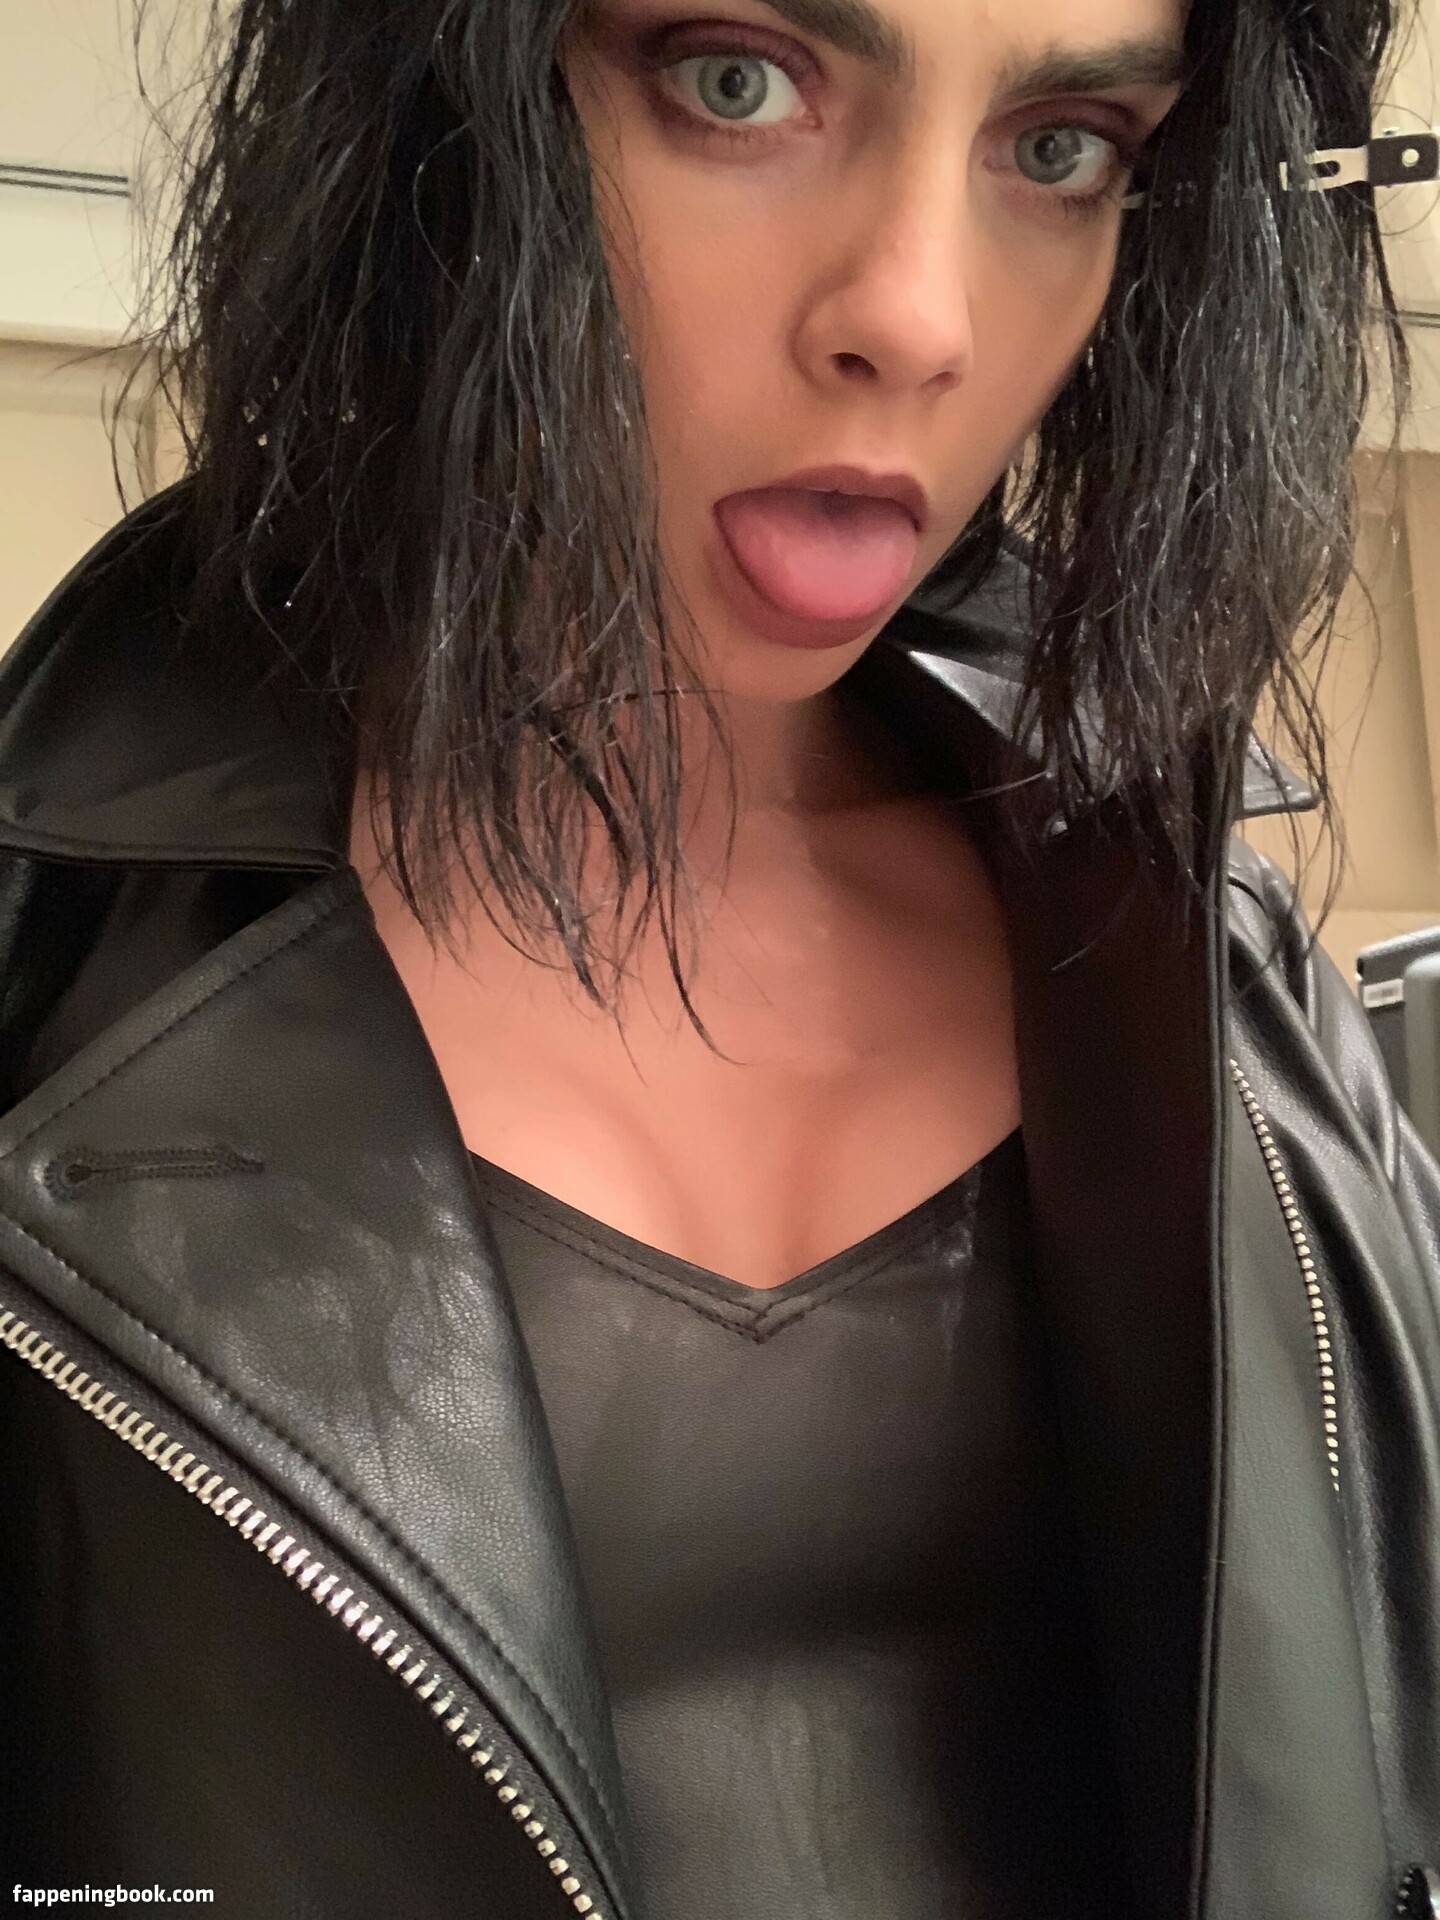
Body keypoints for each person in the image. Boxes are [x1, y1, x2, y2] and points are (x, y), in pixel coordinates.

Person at [0, 0, 1437, 1909]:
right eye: (733, 83)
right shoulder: (52, 993)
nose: (916, 318)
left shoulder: (1215, 972)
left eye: (1062, 149)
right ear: (436, 106)